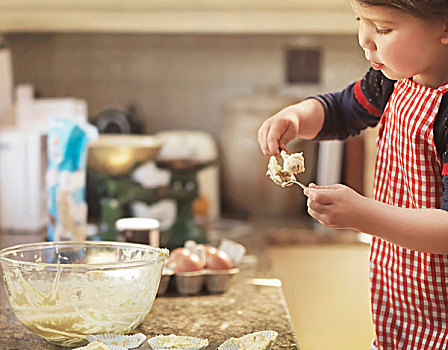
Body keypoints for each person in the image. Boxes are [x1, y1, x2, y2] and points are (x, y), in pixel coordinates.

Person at [257, 0, 448, 349]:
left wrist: (362, 214)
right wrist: (297, 117)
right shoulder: (393, 80)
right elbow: (341, 110)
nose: (364, 39)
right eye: (361, 20)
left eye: (384, 28)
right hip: (402, 304)